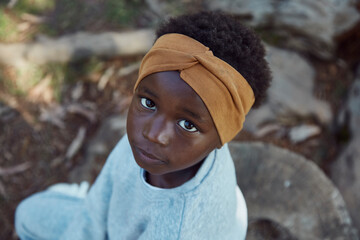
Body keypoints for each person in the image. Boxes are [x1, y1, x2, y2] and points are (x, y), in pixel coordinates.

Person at [15, 11, 271, 239]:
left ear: (221, 139)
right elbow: (99, 201)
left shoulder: (179, 229)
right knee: (27, 215)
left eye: (187, 124)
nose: (154, 133)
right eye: (149, 103)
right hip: (114, 221)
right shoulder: (154, 142)